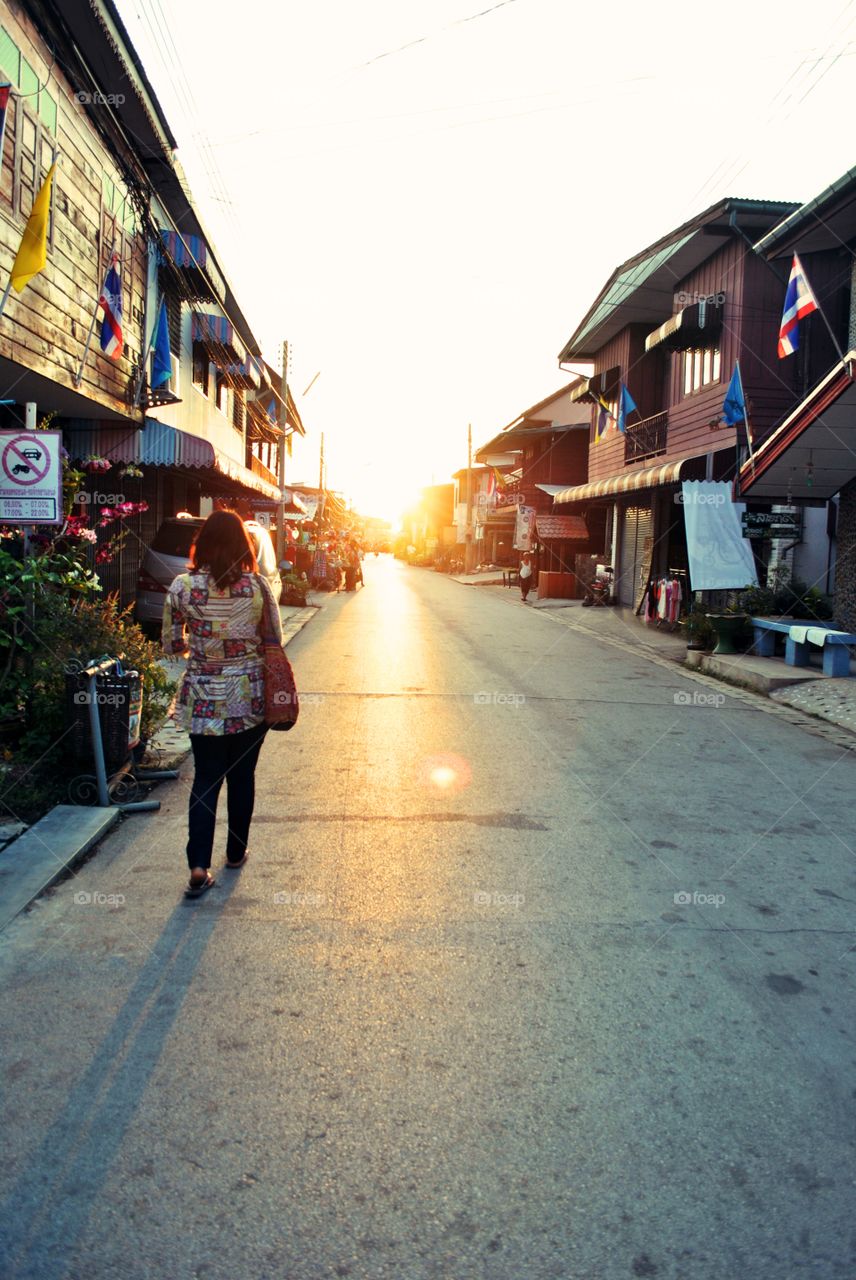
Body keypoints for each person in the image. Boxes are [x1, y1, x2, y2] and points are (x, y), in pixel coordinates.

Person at [163, 510, 284, 898]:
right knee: (241, 777)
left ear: (203, 543)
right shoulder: (258, 587)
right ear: (242, 546)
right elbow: (274, 638)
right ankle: (234, 852)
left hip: (202, 698)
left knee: (205, 779)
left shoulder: (182, 587)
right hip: (248, 699)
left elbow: (170, 645)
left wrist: (199, 649)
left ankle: (198, 866)